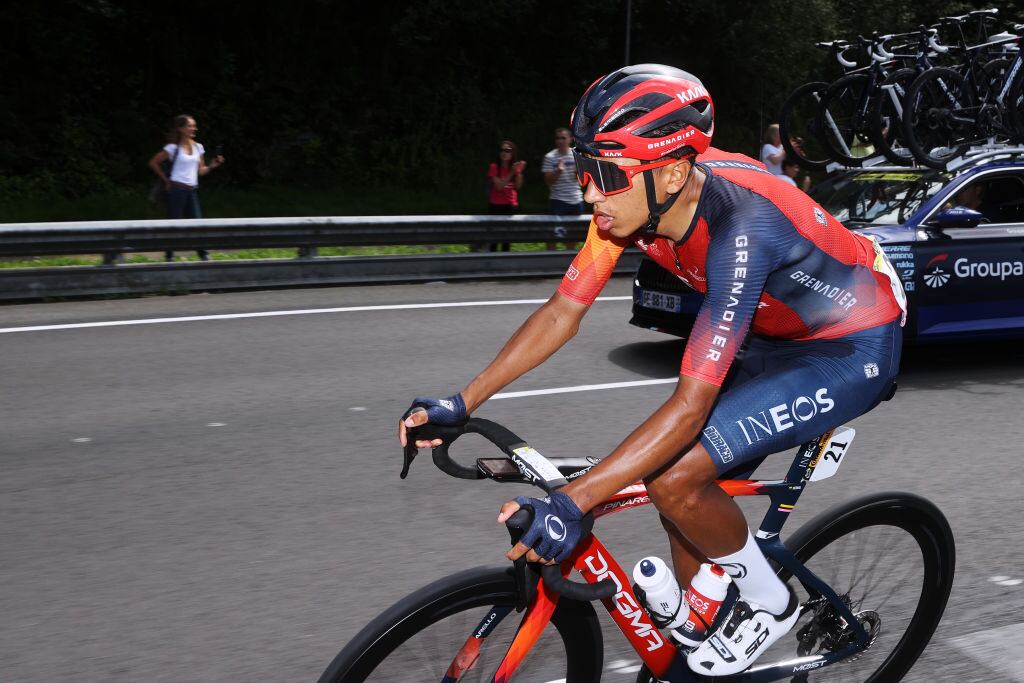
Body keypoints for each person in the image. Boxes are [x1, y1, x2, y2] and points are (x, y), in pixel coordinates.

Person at [400, 64, 906, 676]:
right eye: (584, 168)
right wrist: (463, 401)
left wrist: (573, 502)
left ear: (670, 173)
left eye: (606, 174)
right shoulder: (633, 202)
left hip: (848, 345)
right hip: (769, 334)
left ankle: (771, 603)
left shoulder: (741, 226)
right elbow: (563, 311)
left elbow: (690, 407)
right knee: (678, 497)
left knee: (674, 478)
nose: (591, 192)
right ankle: (698, 635)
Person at [148, 114, 225, 261]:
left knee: (197, 224)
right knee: (174, 224)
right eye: (190, 126)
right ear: (181, 128)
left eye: (194, 126)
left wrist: (212, 166)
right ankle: (169, 257)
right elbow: (153, 162)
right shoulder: (173, 148)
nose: (194, 128)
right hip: (176, 190)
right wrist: (166, 180)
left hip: (191, 191)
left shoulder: (198, 147)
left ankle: (203, 255)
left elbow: (200, 171)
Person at [542, 127, 584, 250]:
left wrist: (578, 174)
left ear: (570, 139)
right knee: (553, 236)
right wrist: (558, 172)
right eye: (557, 138)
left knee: (572, 237)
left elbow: (584, 181)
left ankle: (569, 261)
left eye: (563, 138)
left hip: (576, 201)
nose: (560, 141)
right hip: (558, 202)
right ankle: (551, 261)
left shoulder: (577, 155)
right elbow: (548, 182)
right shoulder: (550, 157)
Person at [486, 140, 526, 251]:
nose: (504, 153)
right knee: (494, 239)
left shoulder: (514, 168)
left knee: (507, 239)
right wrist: (512, 173)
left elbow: (518, 186)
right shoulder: (494, 167)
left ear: (512, 153)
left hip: (510, 205)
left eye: (508, 150)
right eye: (502, 150)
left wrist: (519, 172)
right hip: (496, 205)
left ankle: (505, 258)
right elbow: (499, 187)